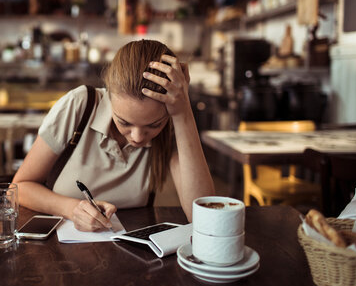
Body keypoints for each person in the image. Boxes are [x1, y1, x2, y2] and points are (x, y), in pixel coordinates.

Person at [12, 39, 214, 231]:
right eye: (124, 122)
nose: (137, 137)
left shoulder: (173, 119)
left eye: (153, 125)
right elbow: (19, 188)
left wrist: (182, 113)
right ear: (109, 94)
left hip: (133, 255)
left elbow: (203, 217)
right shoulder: (80, 105)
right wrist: (71, 209)